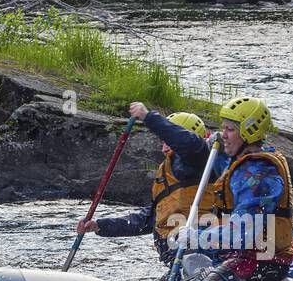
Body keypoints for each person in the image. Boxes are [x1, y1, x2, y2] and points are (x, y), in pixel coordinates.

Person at [187, 95, 293, 281]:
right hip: (244, 258)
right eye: (222, 128)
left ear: (249, 132)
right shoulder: (243, 162)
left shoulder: (259, 175)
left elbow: (245, 233)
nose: (223, 135)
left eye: (230, 129)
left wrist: (198, 238)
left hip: (262, 261)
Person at [77, 103, 216, 263]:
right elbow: (147, 220)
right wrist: (100, 225)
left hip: (199, 255)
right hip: (176, 260)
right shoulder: (167, 172)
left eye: (168, 141)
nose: (163, 149)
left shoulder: (199, 162)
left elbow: (189, 144)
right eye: (163, 142)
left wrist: (149, 118)